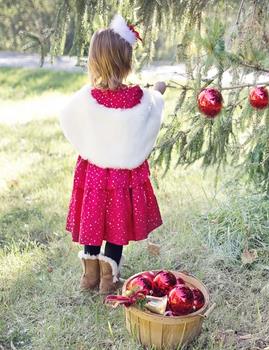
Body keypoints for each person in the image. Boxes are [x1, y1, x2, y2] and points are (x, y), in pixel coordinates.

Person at [59, 14, 166, 294]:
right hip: (122, 178)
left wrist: (91, 146)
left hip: (95, 173)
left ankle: (90, 277)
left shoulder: (87, 97)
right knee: (117, 223)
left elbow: (68, 117)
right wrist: (159, 90)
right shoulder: (138, 98)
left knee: (94, 220)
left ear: (94, 61)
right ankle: (109, 278)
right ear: (127, 63)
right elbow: (151, 111)